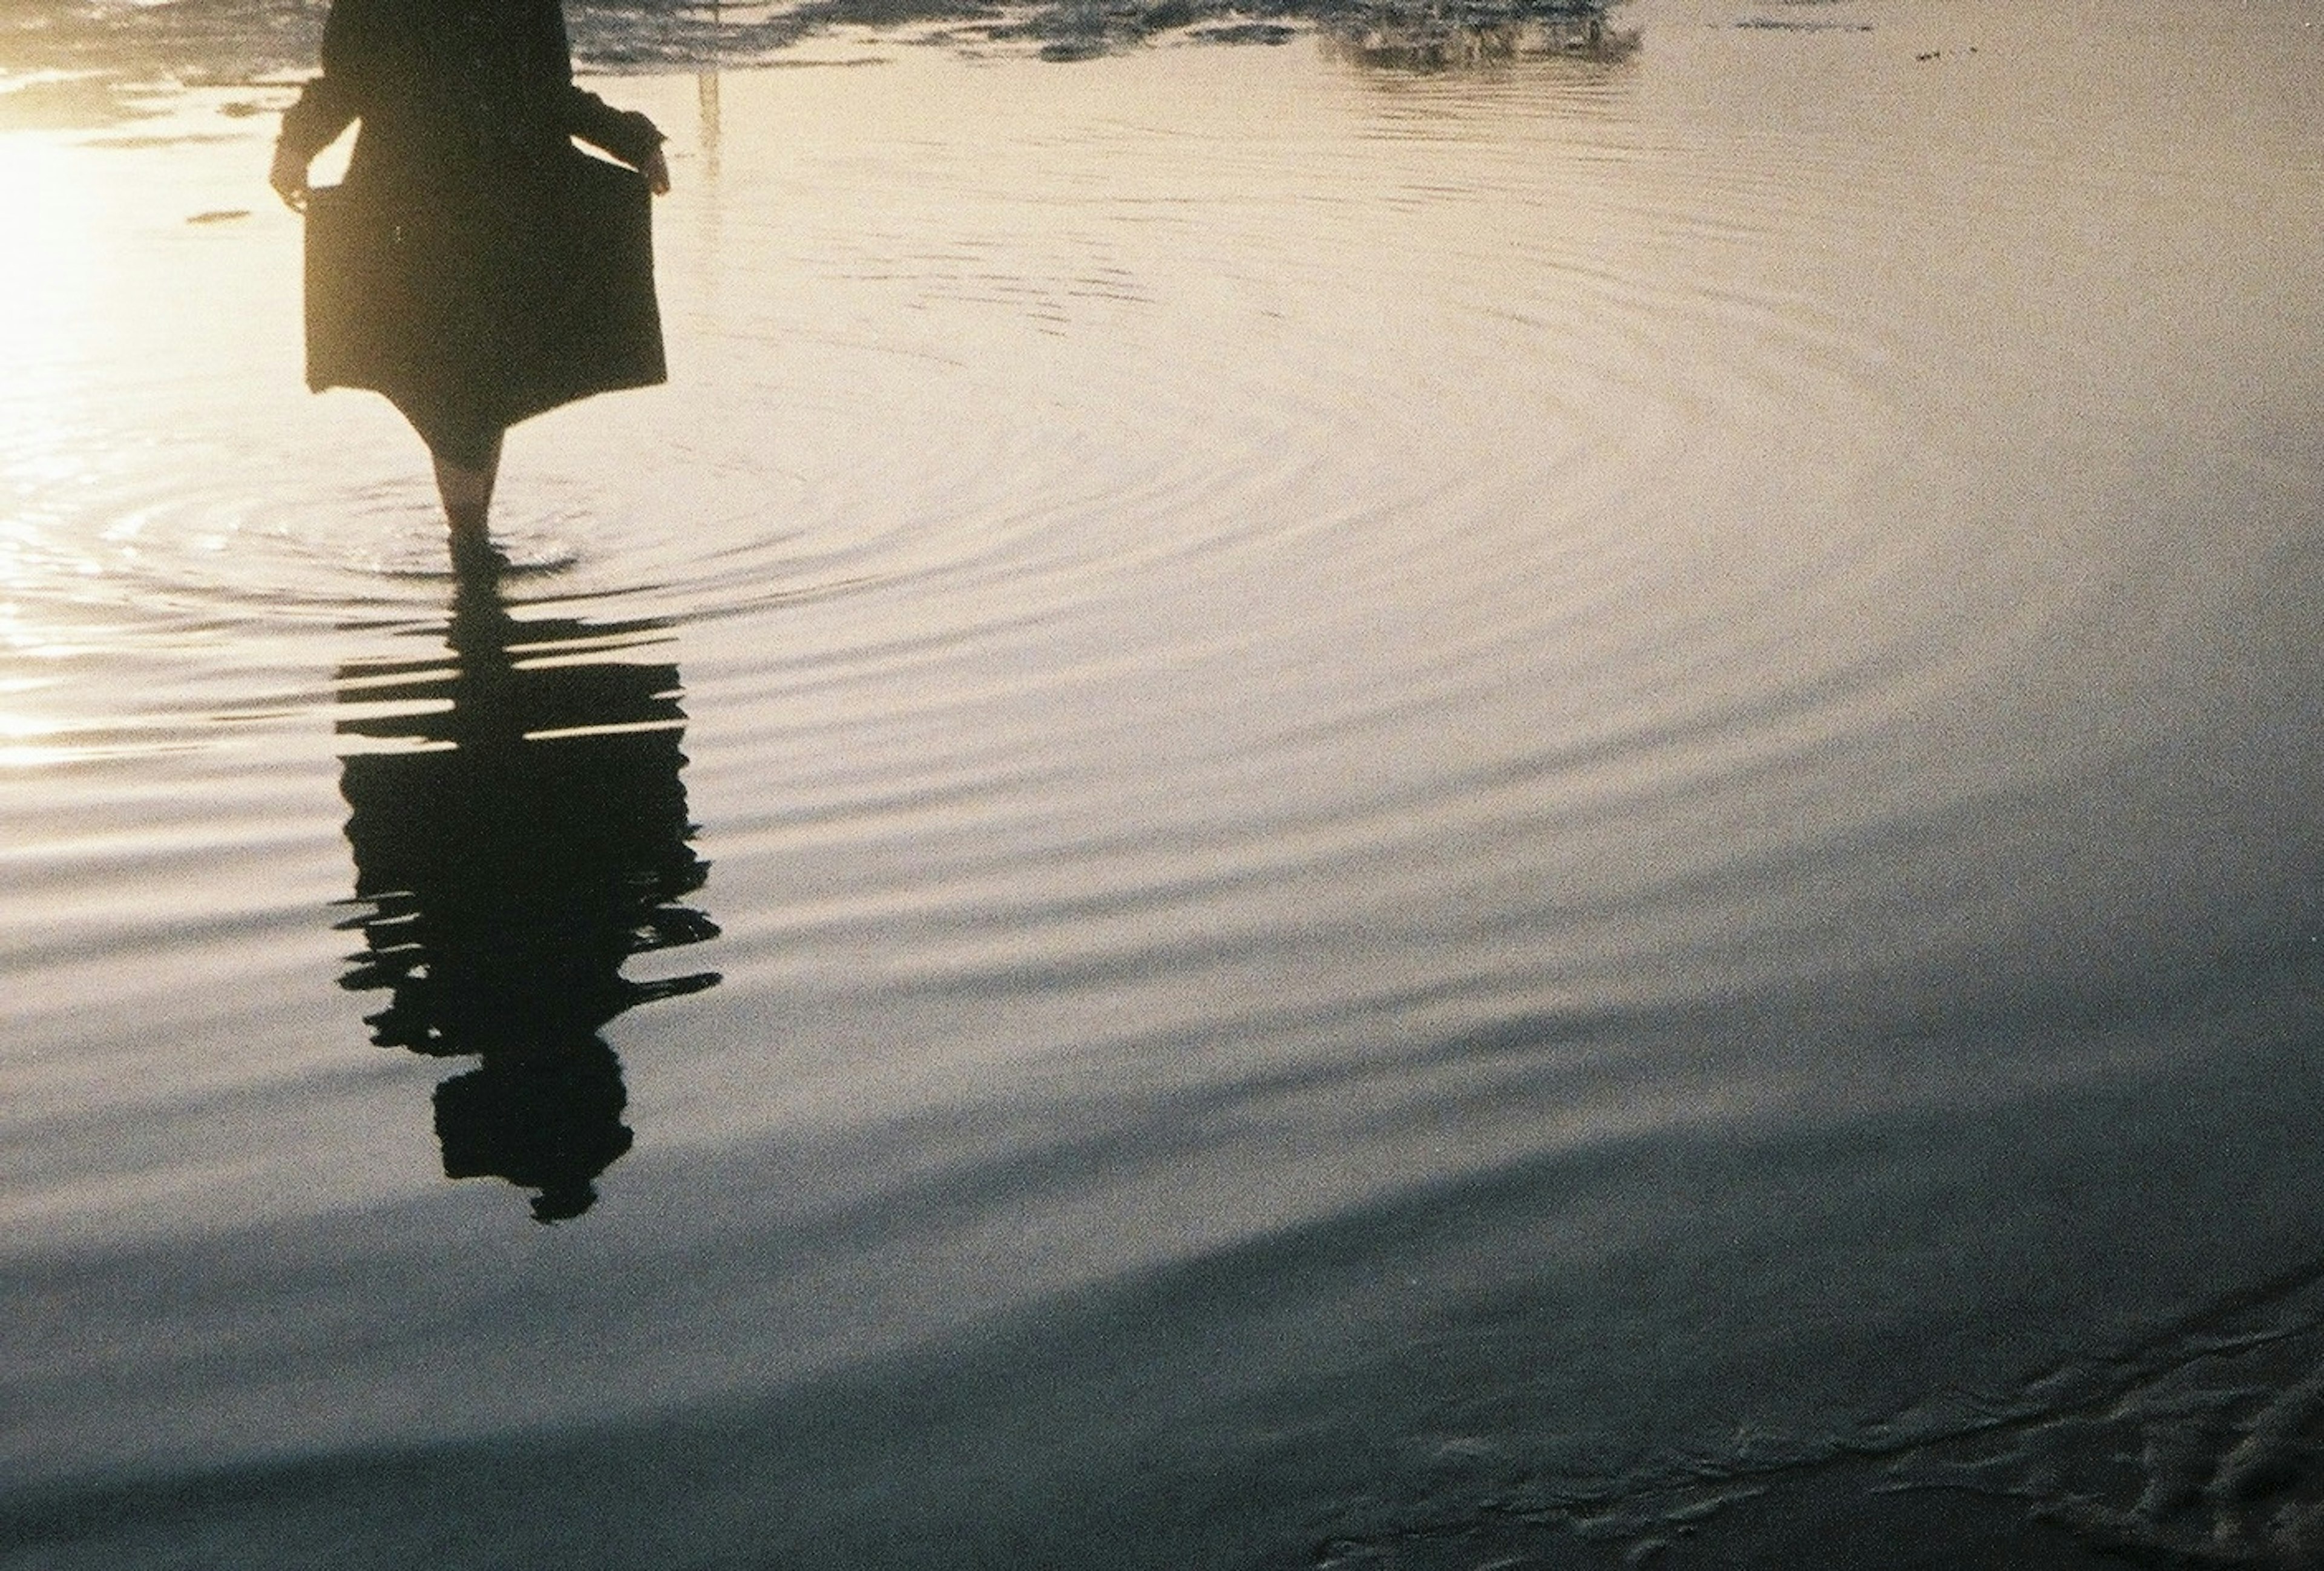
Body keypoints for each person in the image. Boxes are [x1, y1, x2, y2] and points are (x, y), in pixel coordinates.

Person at [269, 0, 674, 561]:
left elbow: (549, 94)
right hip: (428, 210)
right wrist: (295, 146)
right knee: (456, 386)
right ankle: (471, 544)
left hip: (480, 206)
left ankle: (471, 541)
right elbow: (348, 84)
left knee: (477, 382)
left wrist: (634, 140)